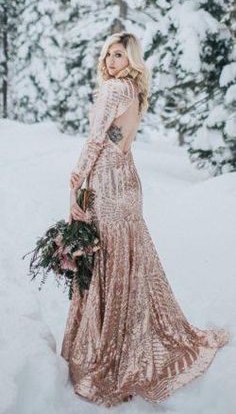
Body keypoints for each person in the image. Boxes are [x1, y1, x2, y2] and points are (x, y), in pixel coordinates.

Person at [60, 31, 230, 408]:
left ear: (131, 58)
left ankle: (110, 351)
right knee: (125, 261)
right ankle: (126, 334)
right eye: (107, 54)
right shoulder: (134, 91)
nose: (110, 61)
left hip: (107, 182)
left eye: (118, 55)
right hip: (127, 182)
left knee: (106, 258)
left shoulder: (113, 90)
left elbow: (95, 140)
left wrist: (75, 182)